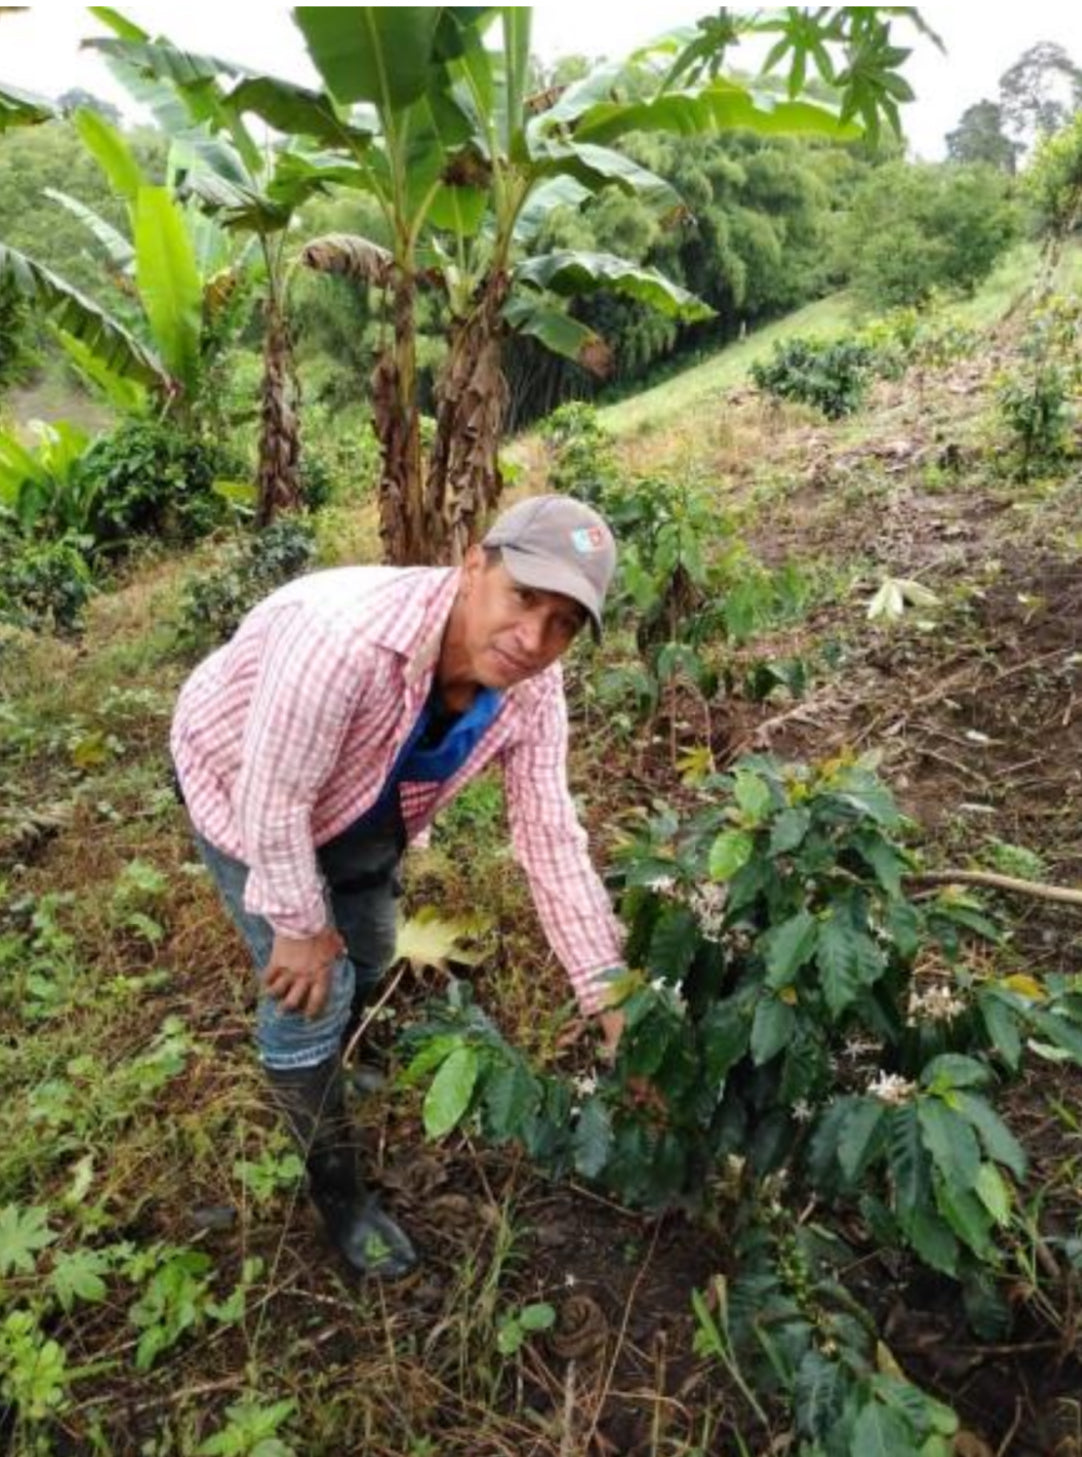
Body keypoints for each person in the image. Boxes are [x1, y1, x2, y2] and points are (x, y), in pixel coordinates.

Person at [171, 494, 626, 1278]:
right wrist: (300, 928)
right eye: (523, 599)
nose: (534, 640)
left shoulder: (533, 689)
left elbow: (551, 836)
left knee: (374, 942)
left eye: (564, 624)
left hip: (365, 799)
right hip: (241, 782)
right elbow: (275, 799)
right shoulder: (344, 640)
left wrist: (610, 996)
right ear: (473, 566)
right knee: (312, 986)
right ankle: (338, 1192)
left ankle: (343, 1049)